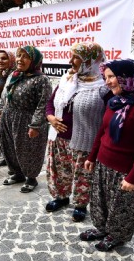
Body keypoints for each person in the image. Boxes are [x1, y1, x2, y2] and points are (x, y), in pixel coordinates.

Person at [80, 59, 134, 251]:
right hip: (104, 163)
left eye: (112, 77)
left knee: (123, 208)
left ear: (128, 77)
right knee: (101, 201)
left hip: (127, 170)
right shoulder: (115, 101)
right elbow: (102, 131)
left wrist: (133, 177)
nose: (108, 82)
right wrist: (92, 157)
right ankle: (102, 228)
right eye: (106, 77)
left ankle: (117, 236)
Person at [45, 42, 109, 222]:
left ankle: (80, 205)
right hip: (58, 138)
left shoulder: (103, 86)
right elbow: (50, 104)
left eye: (76, 58)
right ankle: (61, 197)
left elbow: (108, 118)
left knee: (82, 175)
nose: (70, 61)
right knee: (59, 171)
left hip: (84, 141)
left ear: (90, 60)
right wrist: (51, 118)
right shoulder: (68, 79)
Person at [0, 46, 52, 192]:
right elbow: (4, 95)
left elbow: (43, 105)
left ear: (34, 61)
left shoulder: (42, 80)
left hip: (28, 120)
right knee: (10, 147)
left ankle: (31, 178)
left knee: (28, 150)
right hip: (8, 116)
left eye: (25, 57)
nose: (20, 59)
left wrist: (35, 125)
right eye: (19, 56)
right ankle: (17, 174)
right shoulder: (14, 75)